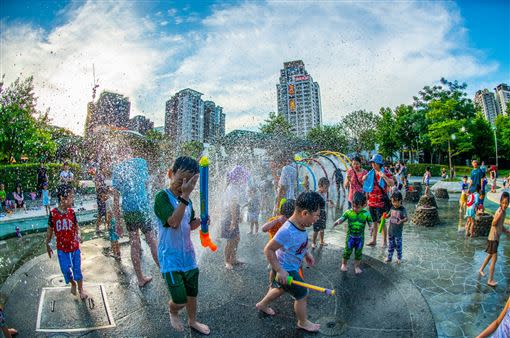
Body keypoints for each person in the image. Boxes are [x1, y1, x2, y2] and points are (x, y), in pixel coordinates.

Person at [153, 156, 210, 335]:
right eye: (180, 181)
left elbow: (188, 224)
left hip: (188, 257)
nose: (183, 187)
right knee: (180, 300)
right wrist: (185, 196)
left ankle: (193, 321)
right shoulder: (162, 197)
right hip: (170, 258)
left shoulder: (189, 201)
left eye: (189, 184)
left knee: (192, 294)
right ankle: (172, 309)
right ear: (170, 174)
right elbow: (174, 222)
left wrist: (200, 221)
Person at [255, 191, 322, 333]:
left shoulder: (301, 225)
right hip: (287, 269)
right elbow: (268, 250)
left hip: (287, 267)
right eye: (316, 215)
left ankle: (262, 304)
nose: (317, 219)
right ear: (304, 213)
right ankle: (303, 322)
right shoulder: (287, 231)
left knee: (280, 288)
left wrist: (307, 254)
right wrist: (280, 270)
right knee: (302, 294)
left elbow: (298, 244)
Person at [111, 156, 159, 287]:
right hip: (142, 206)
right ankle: (164, 271)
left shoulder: (117, 169)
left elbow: (116, 200)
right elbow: (147, 185)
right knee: (152, 240)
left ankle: (140, 279)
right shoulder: (141, 162)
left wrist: (118, 223)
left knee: (134, 243)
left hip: (129, 210)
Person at [45, 184, 88, 299]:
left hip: (74, 248)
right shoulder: (53, 214)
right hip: (62, 249)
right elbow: (49, 231)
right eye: (71, 197)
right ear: (63, 199)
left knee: (77, 270)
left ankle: (81, 289)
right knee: (65, 270)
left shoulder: (72, 213)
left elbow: (77, 227)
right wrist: (47, 245)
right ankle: (72, 283)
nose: (72, 200)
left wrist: (79, 235)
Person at [333, 192, 372, 274]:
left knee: (358, 252)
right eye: (353, 206)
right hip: (350, 237)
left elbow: (370, 223)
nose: (354, 208)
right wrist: (337, 222)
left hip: (360, 238)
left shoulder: (366, 214)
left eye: (357, 207)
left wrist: (371, 228)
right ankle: (344, 264)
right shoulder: (349, 212)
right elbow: (342, 218)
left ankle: (357, 266)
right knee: (347, 250)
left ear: (364, 205)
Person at [478, 192, 509, 287]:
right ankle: (490, 280)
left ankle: (481, 269)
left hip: (496, 238)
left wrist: (506, 231)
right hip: (493, 238)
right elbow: (494, 223)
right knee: (494, 259)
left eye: (506, 203)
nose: (505, 205)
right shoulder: (499, 212)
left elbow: (500, 225)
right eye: (503, 203)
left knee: (490, 256)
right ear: (500, 202)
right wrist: (497, 217)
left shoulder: (503, 212)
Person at [221, 165, 249, 270]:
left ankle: (233, 258)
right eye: (242, 176)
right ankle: (227, 261)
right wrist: (233, 220)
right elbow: (232, 204)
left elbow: (236, 204)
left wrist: (238, 215)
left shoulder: (234, 187)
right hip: (229, 216)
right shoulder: (232, 188)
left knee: (236, 238)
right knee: (231, 240)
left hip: (232, 215)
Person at [261, 199, 296, 285]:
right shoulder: (276, 220)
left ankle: (286, 285)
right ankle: (271, 284)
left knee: (287, 268)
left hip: (286, 250)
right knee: (274, 269)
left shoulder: (293, 221)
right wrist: (277, 220)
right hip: (274, 249)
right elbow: (263, 229)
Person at [363, 154, 394, 247]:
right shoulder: (370, 173)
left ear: (379, 163)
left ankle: (384, 242)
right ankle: (374, 240)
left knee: (382, 222)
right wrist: (364, 178)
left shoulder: (386, 172)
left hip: (381, 202)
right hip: (372, 201)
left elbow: (391, 183)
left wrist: (384, 176)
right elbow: (366, 186)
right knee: (374, 221)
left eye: (374, 163)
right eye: (372, 163)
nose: (372, 164)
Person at [385, 191, 408, 264]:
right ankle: (389, 257)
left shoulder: (402, 209)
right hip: (391, 231)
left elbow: (406, 218)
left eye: (396, 202)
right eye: (392, 202)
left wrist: (401, 221)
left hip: (398, 233)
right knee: (390, 246)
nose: (394, 203)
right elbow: (388, 215)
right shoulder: (392, 208)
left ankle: (399, 258)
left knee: (398, 246)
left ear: (400, 201)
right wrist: (385, 216)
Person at [312, 177, 333, 248]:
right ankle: (313, 242)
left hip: (323, 213)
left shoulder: (324, 194)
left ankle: (321, 241)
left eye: (327, 188)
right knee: (316, 229)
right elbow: (315, 203)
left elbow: (324, 201)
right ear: (320, 186)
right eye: (325, 188)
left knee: (322, 228)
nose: (327, 190)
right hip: (317, 214)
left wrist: (329, 202)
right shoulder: (316, 193)